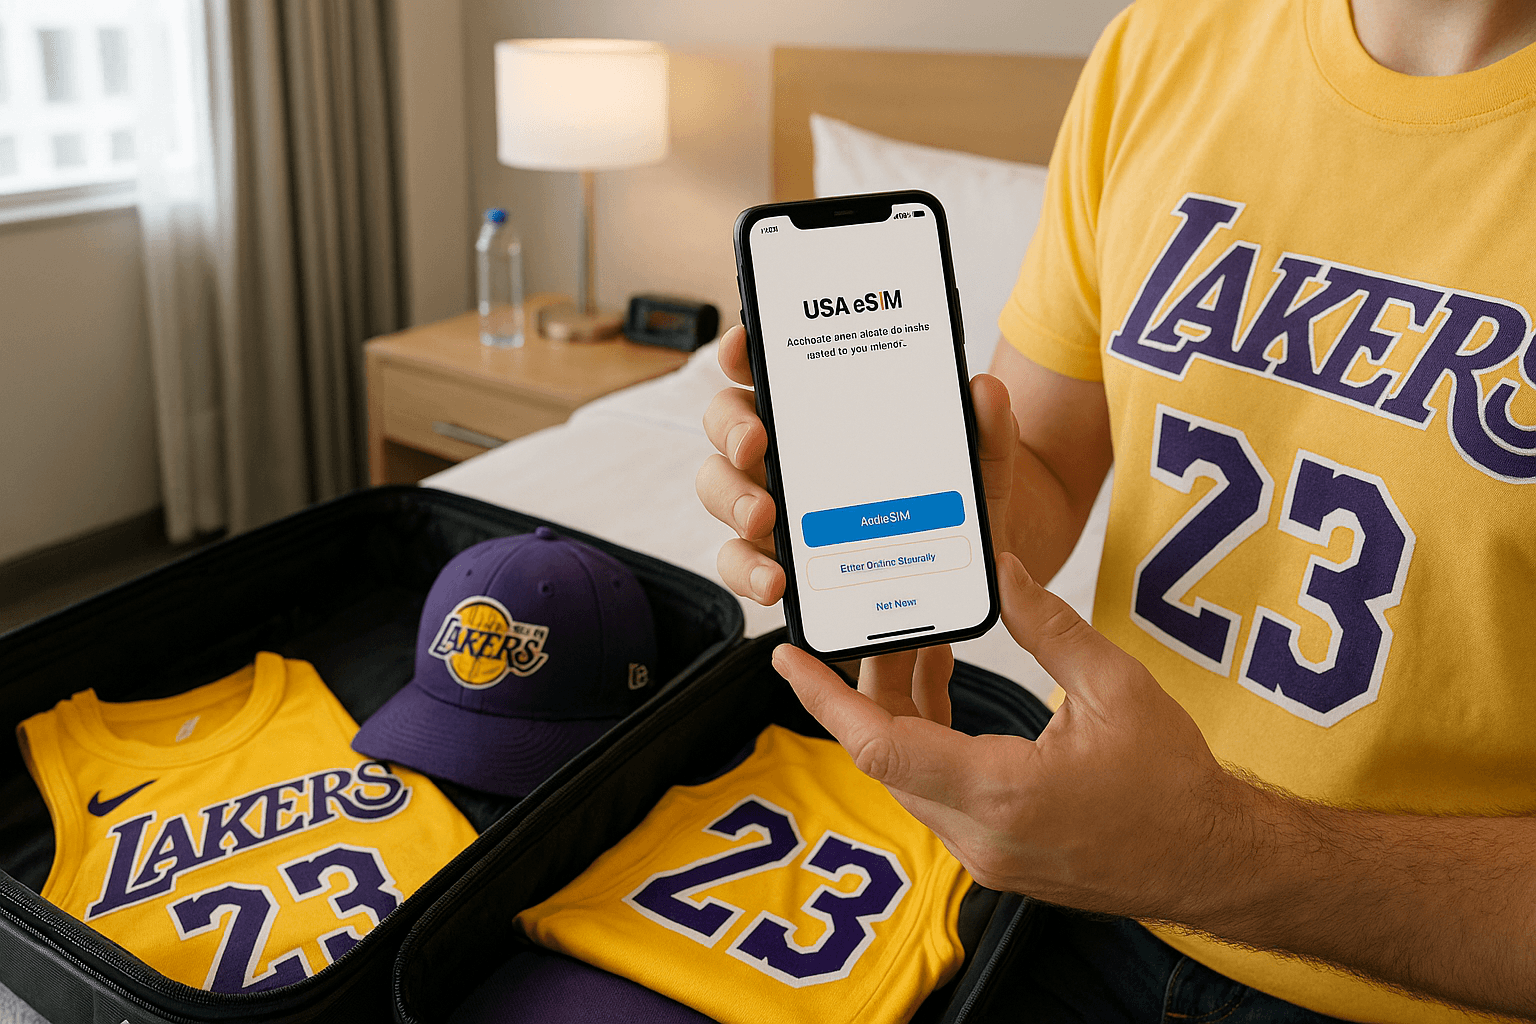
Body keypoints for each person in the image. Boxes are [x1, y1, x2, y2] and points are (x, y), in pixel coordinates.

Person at [695, 0, 1536, 1020]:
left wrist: (1214, 853)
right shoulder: (1165, 42)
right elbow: (1043, 463)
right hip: (1074, 885)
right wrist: (901, 515)